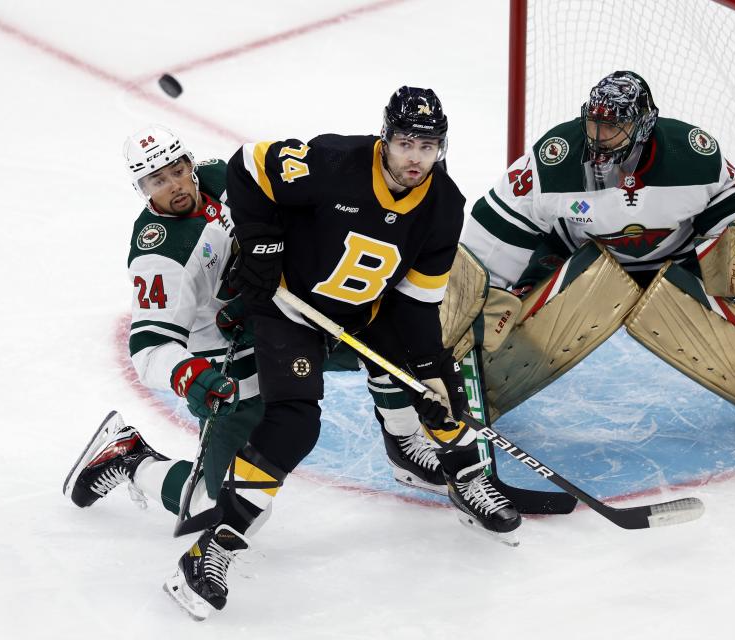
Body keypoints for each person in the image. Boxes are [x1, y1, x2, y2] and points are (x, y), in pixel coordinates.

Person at [160, 86, 521, 620]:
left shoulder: (444, 208)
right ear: (385, 139)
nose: (415, 158)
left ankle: (466, 477)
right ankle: (213, 546)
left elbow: (418, 305)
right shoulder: (334, 163)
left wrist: (429, 374)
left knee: (437, 388)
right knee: (295, 423)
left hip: (366, 311)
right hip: (291, 311)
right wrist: (262, 243)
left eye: (428, 146)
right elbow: (248, 167)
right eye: (405, 143)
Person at [455, 70, 735, 449]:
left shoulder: (693, 153)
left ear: (645, 125)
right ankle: (456, 385)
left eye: (614, 127)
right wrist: (480, 294)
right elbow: (502, 218)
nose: (600, 136)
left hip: (678, 265)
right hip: (575, 255)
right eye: (595, 124)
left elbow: (732, 202)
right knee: (494, 310)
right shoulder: (555, 158)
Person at [63, 124, 268, 531]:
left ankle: (409, 440)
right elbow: (150, 347)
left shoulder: (219, 178)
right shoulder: (160, 255)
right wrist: (189, 375)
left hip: (270, 320)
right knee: (223, 509)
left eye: (177, 169)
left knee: (378, 341)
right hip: (228, 361)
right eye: (157, 180)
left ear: (191, 163)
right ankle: (131, 458)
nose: (174, 185)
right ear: (141, 188)